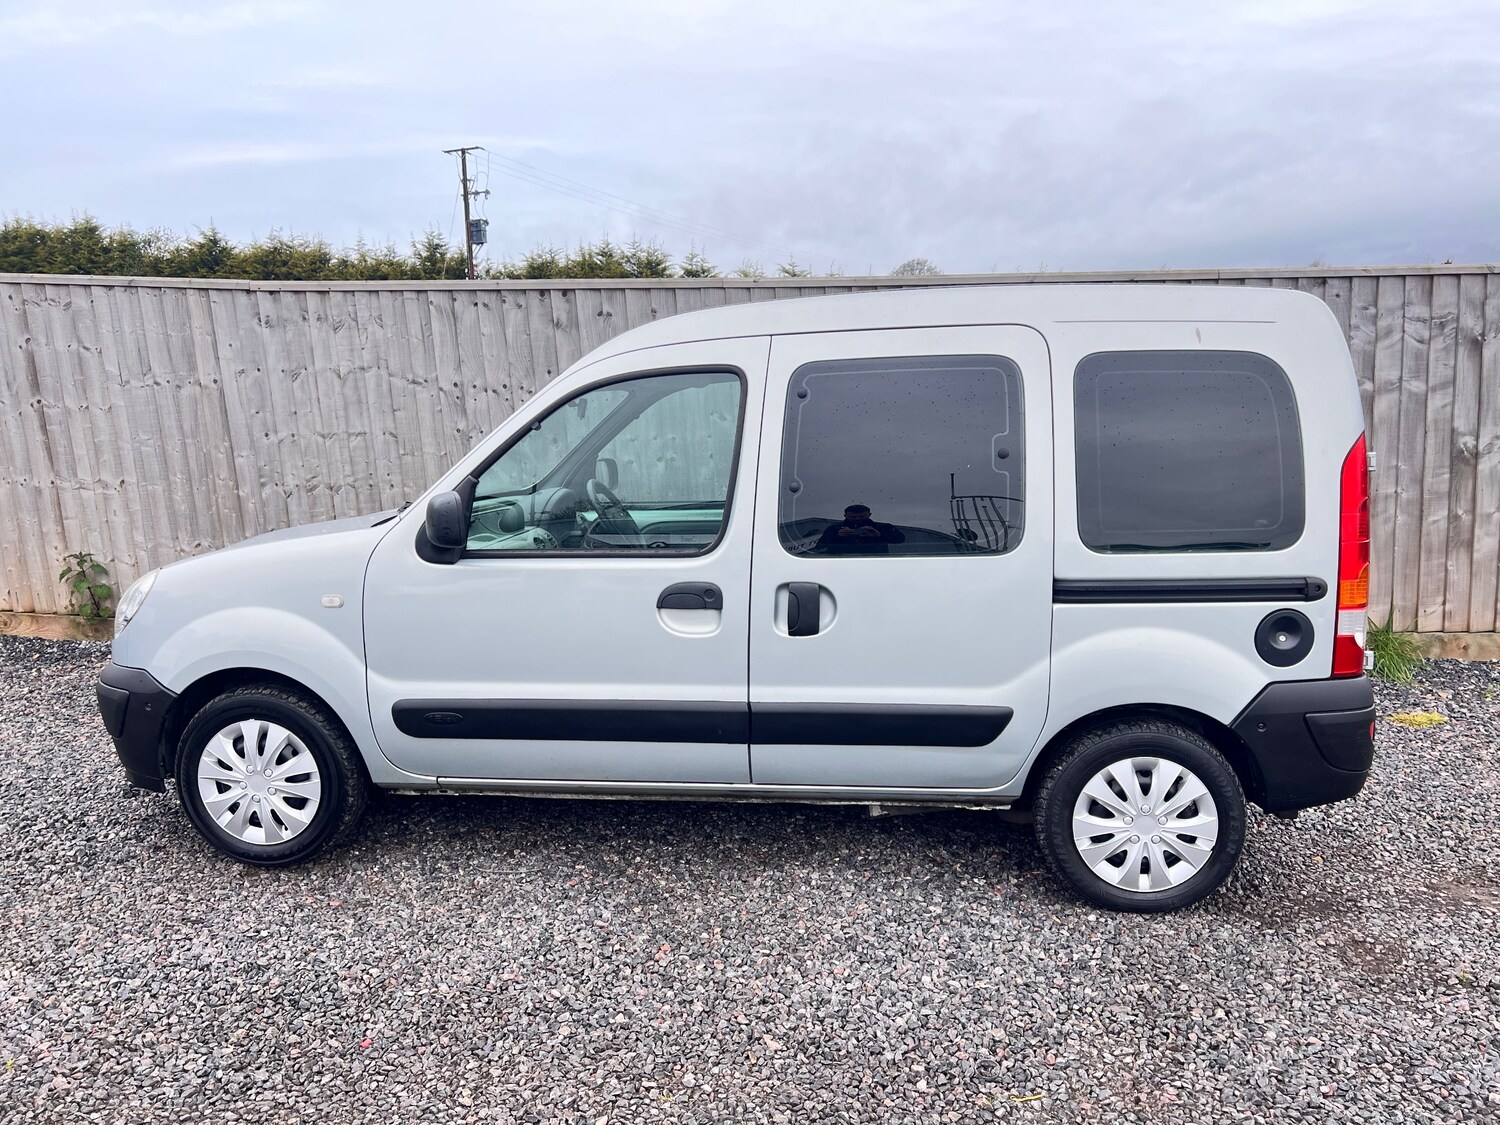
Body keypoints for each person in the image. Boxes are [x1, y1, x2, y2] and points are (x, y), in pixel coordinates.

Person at [815, 504, 906, 555]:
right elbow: (820, 546)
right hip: (841, 564)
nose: (858, 519)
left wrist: (879, 535)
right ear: (845, 516)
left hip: (876, 564)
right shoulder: (834, 529)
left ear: (869, 514)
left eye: (862, 516)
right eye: (853, 517)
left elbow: (901, 539)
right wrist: (837, 536)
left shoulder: (883, 528)